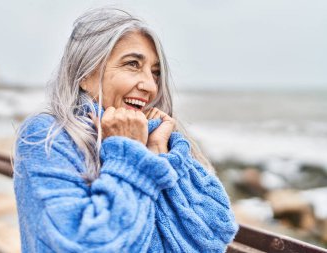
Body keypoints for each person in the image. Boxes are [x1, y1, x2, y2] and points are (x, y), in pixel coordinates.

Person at [13, 7, 238, 253]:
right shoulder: (47, 135)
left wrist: (157, 153)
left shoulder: (159, 138)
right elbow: (81, 246)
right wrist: (128, 153)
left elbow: (214, 233)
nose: (150, 86)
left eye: (155, 73)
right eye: (132, 64)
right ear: (84, 74)